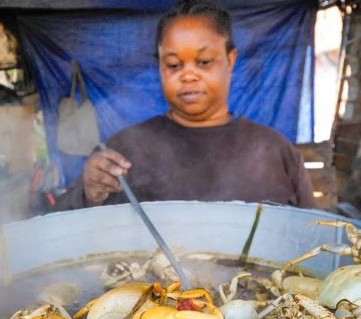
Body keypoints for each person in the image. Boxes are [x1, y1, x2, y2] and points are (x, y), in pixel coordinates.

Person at [54, 1, 315, 211]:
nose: (188, 76)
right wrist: (88, 194)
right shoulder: (124, 152)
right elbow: (64, 231)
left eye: (203, 62)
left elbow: (313, 237)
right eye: (174, 65)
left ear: (230, 60)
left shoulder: (275, 151)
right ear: (160, 67)